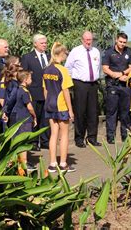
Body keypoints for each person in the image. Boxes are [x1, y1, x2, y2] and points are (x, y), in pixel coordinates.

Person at [65, 31, 101, 148]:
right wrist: (71, 83)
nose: (88, 42)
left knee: (93, 112)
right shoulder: (76, 51)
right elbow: (68, 68)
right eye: (86, 40)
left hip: (93, 84)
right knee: (80, 111)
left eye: (90, 40)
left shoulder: (96, 51)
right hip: (80, 84)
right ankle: (79, 138)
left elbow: (98, 67)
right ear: (82, 40)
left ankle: (92, 138)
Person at [43, 42, 75, 173]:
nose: (66, 55)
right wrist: (71, 110)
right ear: (61, 54)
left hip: (49, 104)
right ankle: (63, 163)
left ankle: (52, 163)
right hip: (61, 105)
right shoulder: (62, 70)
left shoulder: (46, 69)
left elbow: (44, 89)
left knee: (53, 134)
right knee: (64, 134)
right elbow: (66, 91)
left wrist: (47, 103)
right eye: (65, 53)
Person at [102, 32, 131, 144]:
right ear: (116, 40)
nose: (122, 44)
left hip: (125, 86)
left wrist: (122, 74)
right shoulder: (108, 52)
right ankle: (110, 137)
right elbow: (105, 69)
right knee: (112, 112)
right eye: (120, 42)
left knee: (125, 112)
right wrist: (117, 76)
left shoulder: (129, 51)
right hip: (112, 85)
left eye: (124, 42)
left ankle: (125, 136)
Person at [21, 34, 50, 151]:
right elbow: (24, 74)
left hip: (47, 92)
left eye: (45, 43)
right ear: (35, 44)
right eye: (42, 43)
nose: (44, 45)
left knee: (45, 118)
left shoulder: (49, 56)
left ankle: (45, 141)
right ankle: (33, 141)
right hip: (34, 92)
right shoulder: (27, 57)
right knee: (34, 117)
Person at [13, 70, 38, 171]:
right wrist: (34, 116)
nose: (31, 80)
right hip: (25, 119)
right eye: (30, 78)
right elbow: (29, 107)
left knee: (20, 140)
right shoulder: (25, 92)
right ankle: (24, 162)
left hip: (19, 118)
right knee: (25, 141)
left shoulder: (18, 90)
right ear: (25, 80)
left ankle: (21, 161)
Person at [0, 56, 21, 130]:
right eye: (18, 64)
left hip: (11, 111)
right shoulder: (14, 83)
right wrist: (6, 111)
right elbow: (11, 98)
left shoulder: (9, 80)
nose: (20, 65)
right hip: (13, 113)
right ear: (13, 66)